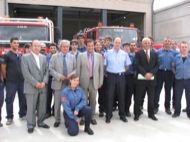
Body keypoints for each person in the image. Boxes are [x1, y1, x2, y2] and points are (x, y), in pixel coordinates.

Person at [21, 40, 49, 134]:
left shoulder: (43, 58)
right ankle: (30, 125)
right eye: (35, 46)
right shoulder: (25, 57)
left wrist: (44, 82)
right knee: (31, 107)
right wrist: (35, 83)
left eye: (39, 46)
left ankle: (41, 122)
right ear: (31, 47)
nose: (37, 47)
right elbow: (26, 73)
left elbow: (47, 71)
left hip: (42, 87)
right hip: (31, 87)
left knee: (42, 107)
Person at [49, 40, 76, 128]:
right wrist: (58, 76)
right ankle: (57, 120)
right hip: (58, 83)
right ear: (60, 47)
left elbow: (76, 69)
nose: (65, 48)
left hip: (69, 84)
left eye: (67, 47)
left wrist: (71, 75)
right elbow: (51, 69)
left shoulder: (72, 57)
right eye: (64, 46)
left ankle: (67, 120)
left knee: (68, 104)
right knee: (57, 103)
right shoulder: (54, 57)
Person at [104, 37, 131, 123]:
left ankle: (122, 115)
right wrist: (110, 72)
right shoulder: (107, 53)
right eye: (116, 42)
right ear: (113, 42)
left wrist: (120, 71)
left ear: (121, 44)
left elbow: (127, 66)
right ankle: (108, 115)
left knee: (121, 96)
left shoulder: (124, 54)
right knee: (109, 96)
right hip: (111, 76)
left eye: (119, 42)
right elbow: (105, 66)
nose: (117, 44)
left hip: (121, 76)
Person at [77, 39, 104, 125]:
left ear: (94, 46)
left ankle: (91, 116)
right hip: (83, 81)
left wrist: (100, 81)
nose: (91, 47)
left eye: (92, 46)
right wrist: (77, 81)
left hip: (94, 81)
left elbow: (101, 70)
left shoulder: (99, 56)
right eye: (89, 46)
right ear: (86, 46)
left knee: (93, 100)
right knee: (83, 100)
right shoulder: (81, 56)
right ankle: (83, 117)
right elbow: (78, 69)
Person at [1, 37, 26, 125]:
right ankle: (9, 117)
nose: (16, 44)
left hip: (21, 81)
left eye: (17, 43)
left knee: (22, 98)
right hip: (11, 81)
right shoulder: (6, 55)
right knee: (9, 99)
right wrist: (6, 78)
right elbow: (3, 67)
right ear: (10, 43)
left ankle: (22, 114)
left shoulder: (19, 55)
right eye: (14, 43)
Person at [134, 37, 159, 121]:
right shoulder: (138, 53)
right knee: (138, 97)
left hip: (151, 80)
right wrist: (145, 74)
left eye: (149, 43)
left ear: (151, 44)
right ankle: (136, 114)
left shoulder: (154, 54)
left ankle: (151, 114)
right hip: (141, 80)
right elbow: (137, 65)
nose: (147, 44)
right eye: (145, 43)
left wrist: (151, 73)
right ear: (142, 44)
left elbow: (157, 66)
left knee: (151, 98)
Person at [154, 37, 176, 115]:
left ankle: (167, 107)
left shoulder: (174, 53)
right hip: (160, 72)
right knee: (157, 90)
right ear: (163, 43)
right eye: (165, 41)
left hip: (169, 73)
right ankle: (155, 106)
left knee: (168, 91)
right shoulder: (158, 52)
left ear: (170, 43)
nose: (167, 42)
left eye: (168, 41)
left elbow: (176, 62)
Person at [172, 41, 190, 118]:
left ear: (188, 48)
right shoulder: (176, 58)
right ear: (180, 48)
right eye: (182, 47)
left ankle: (189, 113)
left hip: (188, 80)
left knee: (189, 97)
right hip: (179, 80)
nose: (184, 48)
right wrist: (177, 75)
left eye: (185, 47)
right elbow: (173, 68)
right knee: (177, 97)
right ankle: (177, 112)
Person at [45, 43, 57, 118]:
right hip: (49, 78)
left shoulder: (59, 56)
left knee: (57, 96)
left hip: (56, 78)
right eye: (51, 48)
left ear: (56, 48)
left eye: (54, 48)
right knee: (48, 96)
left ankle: (54, 110)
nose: (53, 49)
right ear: (49, 49)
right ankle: (48, 111)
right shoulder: (46, 57)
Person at [124, 41, 136, 117]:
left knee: (132, 94)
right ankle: (125, 109)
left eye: (133, 45)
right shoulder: (125, 55)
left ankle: (131, 109)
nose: (131, 47)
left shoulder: (137, 55)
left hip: (134, 77)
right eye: (130, 45)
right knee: (125, 94)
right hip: (126, 76)